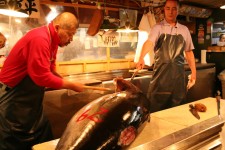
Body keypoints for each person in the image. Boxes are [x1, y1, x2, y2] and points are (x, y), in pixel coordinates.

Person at [0, 12, 85, 150]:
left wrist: (64, 80)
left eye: (73, 34)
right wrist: (70, 85)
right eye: (69, 34)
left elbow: (50, 69)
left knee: (42, 135)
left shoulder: (54, 40)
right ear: (57, 28)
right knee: (13, 141)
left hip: (31, 101)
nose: (71, 39)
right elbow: (41, 76)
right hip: (13, 97)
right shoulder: (40, 38)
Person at [136, 0, 196, 113]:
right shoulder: (157, 28)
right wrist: (141, 57)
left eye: (174, 9)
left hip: (178, 80)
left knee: (178, 113)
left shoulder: (184, 30)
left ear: (178, 11)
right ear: (164, 9)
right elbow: (149, 42)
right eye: (168, 8)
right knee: (155, 113)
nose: (171, 11)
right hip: (160, 80)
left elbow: (189, 52)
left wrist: (194, 74)